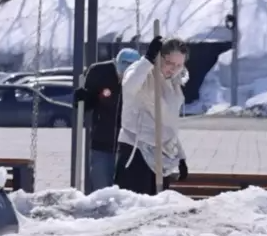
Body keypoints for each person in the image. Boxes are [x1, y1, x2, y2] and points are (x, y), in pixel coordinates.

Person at [115, 36, 190, 195]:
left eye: (179, 65)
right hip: (136, 150)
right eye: (169, 63)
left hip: (161, 155)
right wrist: (147, 60)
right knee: (135, 204)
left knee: (157, 206)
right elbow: (129, 85)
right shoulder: (142, 72)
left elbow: (169, 125)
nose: (173, 69)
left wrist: (181, 156)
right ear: (159, 57)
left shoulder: (173, 84)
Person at [74, 49, 141, 193]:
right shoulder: (100, 73)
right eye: (121, 73)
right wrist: (82, 98)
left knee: (126, 192)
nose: (123, 78)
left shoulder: (143, 79)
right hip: (102, 144)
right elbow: (89, 102)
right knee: (102, 190)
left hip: (130, 148)